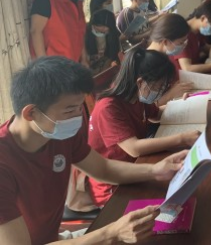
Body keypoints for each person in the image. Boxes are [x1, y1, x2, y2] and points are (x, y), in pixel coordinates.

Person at [0, 56, 188, 244]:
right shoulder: (5, 163)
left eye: (79, 108)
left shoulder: (58, 132)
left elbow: (103, 169)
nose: (78, 117)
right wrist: (111, 233)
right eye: (70, 110)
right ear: (31, 113)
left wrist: (156, 170)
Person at [88, 48, 200, 207]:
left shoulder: (136, 95)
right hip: (115, 183)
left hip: (139, 164)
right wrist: (182, 138)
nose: (160, 92)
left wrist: (184, 105)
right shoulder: (108, 107)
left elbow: (156, 115)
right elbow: (134, 148)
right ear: (140, 82)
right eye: (159, 87)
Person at [30, 0, 100, 63]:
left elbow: (79, 33)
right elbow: (35, 31)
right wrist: (44, 64)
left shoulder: (77, 0)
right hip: (52, 62)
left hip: (71, 61)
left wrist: (84, 58)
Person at [147, 13, 194, 104]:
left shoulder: (162, 57)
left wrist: (175, 89)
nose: (183, 46)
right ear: (165, 41)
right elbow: (145, 107)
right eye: (181, 43)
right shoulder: (146, 64)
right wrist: (171, 94)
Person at [83, 9, 121, 75]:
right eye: (102, 27)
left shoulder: (112, 34)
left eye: (108, 27)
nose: (106, 29)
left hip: (106, 68)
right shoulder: (84, 34)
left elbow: (113, 55)